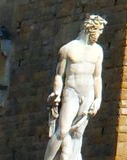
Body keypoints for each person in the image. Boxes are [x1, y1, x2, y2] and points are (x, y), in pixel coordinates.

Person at [45, 14, 107, 160]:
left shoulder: (98, 50)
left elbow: (97, 76)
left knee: (78, 133)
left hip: (88, 92)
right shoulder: (67, 49)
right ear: (90, 29)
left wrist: (98, 98)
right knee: (63, 131)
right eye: (99, 30)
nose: (99, 34)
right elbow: (59, 75)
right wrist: (57, 93)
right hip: (71, 91)